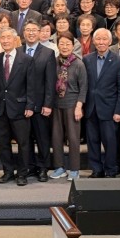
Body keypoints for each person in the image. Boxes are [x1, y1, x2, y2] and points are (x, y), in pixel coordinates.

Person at [82, 28, 120, 178]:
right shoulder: (87, 59)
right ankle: (96, 169)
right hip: (91, 108)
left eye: (104, 39)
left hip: (110, 109)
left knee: (110, 142)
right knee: (92, 141)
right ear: (94, 41)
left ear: (110, 41)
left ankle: (111, 170)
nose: (101, 42)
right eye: (98, 39)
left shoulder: (119, 61)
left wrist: (119, 111)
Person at [0, 28, 35, 186]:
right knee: (4, 143)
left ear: (15, 40)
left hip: (20, 107)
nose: (5, 41)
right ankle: (8, 172)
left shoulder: (26, 59)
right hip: (2, 107)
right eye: (2, 38)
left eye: (8, 38)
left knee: (23, 143)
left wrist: (30, 105)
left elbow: (31, 85)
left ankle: (22, 173)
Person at [21, 20, 57, 182]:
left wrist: (48, 104)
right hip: (22, 104)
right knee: (25, 138)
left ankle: (43, 168)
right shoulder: (18, 50)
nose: (31, 33)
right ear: (23, 33)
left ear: (39, 32)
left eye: (34, 30)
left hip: (41, 104)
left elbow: (50, 81)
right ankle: (30, 166)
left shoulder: (48, 53)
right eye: (28, 30)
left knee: (42, 138)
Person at [50, 31, 87, 181]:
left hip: (72, 104)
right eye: (62, 44)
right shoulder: (53, 62)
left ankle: (74, 169)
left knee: (73, 138)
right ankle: (59, 167)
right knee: (56, 137)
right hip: (56, 104)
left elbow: (83, 87)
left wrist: (79, 107)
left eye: (68, 44)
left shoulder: (78, 64)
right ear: (58, 45)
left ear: (73, 46)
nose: (64, 47)